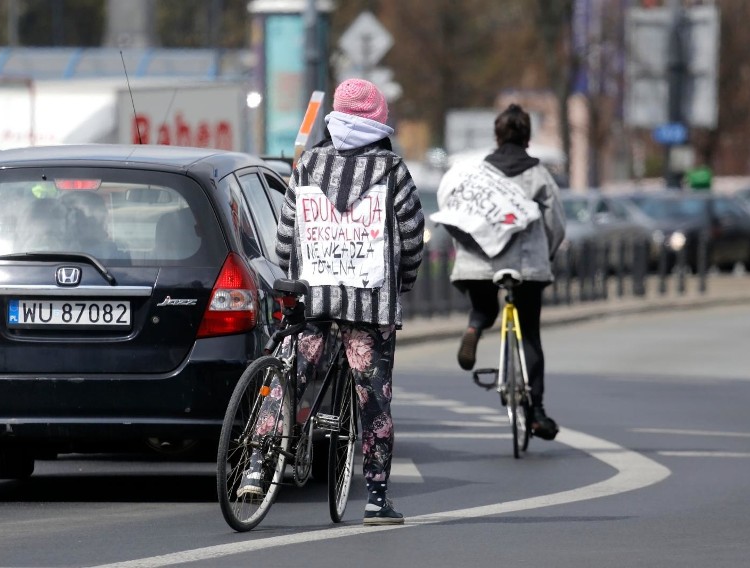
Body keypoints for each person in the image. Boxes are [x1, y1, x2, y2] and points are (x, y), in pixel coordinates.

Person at [240, 78, 424, 526]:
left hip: (312, 299)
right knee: (372, 399)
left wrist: (289, 274)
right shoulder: (391, 169)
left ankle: (256, 465)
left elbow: (287, 232)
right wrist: (405, 280)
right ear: (379, 121)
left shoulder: (307, 165)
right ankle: (377, 499)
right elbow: (414, 235)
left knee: (289, 376)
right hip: (368, 304)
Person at [437, 103, 566, 441]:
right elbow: (556, 224)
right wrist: (546, 256)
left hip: (478, 264)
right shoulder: (539, 175)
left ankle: (475, 326)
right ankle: (536, 412)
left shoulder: (477, 173)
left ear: (496, 136)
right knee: (530, 334)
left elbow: (454, 210)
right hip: (526, 266)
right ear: (528, 136)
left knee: (484, 306)